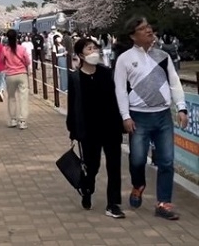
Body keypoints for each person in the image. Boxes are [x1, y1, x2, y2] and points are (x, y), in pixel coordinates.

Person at [114, 16, 189, 221]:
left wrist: (181, 108)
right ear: (133, 36)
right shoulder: (125, 59)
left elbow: (174, 83)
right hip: (138, 117)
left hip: (163, 116)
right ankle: (138, 184)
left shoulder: (163, 56)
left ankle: (163, 203)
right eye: (142, 29)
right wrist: (125, 116)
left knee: (166, 162)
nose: (148, 31)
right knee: (137, 160)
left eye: (148, 27)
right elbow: (120, 90)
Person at [67, 37, 125, 218]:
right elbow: (72, 105)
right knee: (92, 166)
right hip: (89, 130)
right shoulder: (75, 77)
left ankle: (113, 203)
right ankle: (87, 189)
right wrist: (73, 129)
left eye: (95, 48)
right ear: (79, 55)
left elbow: (119, 97)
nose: (94, 52)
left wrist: (123, 119)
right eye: (89, 49)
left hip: (111, 126)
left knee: (114, 165)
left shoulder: (108, 73)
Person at [2, 29, 31, 129]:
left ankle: (13, 119)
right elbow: (27, 61)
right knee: (23, 97)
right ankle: (22, 121)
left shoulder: (5, 49)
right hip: (22, 73)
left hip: (10, 75)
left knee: (11, 97)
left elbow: (2, 61)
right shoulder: (21, 48)